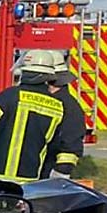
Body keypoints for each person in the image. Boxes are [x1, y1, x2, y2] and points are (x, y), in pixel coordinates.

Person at [0, 50, 67, 182]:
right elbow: (53, 147)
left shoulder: (8, 96)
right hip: (29, 179)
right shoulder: (57, 106)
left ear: (24, 73)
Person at [41, 51, 86, 179]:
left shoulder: (69, 107)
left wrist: (59, 174)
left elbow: (71, 148)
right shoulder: (50, 101)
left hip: (46, 175)